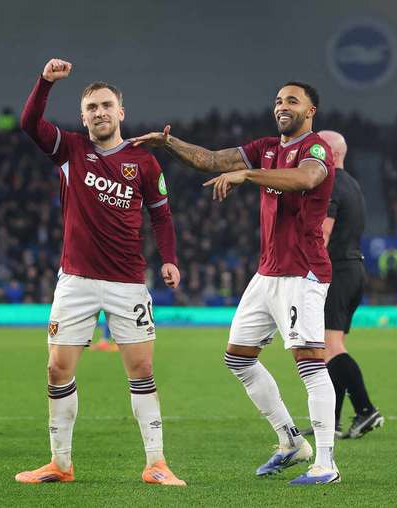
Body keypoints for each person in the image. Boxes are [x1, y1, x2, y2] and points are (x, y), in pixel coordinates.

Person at [132, 81, 340, 485]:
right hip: (268, 274)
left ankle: (327, 463)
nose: (282, 106)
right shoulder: (265, 147)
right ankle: (291, 441)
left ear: (311, 111)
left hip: (303, 272)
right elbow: (211, 160)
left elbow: (306, 179)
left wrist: (248, 174)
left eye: (292, 101)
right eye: (279, 100)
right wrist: (167, 143)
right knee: (239, 358)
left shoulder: (317, 149)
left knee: (310, 365)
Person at [16, 58, 184, 486]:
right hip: (75, 280)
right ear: (83, 116)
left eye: (107, 105)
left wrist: (169, 257)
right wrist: (45, 83)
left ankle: (156, 463)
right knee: (57, 369)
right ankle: (60, 463)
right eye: (92, 107)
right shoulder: (70, 150)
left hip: (127, 282)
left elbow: (161, 216)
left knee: (142, 370)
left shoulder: (143, 162)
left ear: (121, 112)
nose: (100, 113)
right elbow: (29, 122)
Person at [310, 130, 383, 439]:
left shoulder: (331, 185)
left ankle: (366, 410)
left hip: (337, 272)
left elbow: (323, 234)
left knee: (330, 347)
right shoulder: (352, 184)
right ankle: (332, 422)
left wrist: (309, 271)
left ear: (332, 154)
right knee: (333, 345)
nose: (312, 154)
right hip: (354, 269)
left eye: (318, 149)